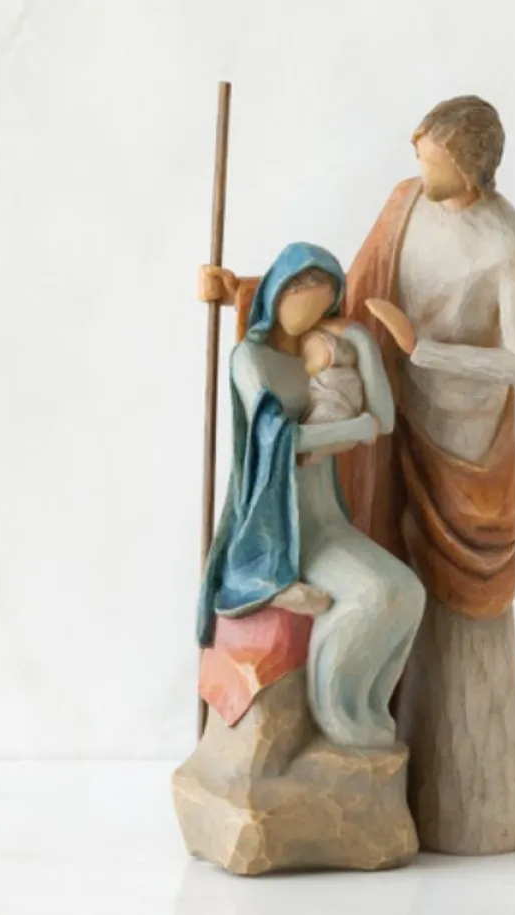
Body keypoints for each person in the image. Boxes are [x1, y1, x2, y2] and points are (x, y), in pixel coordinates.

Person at [338, 96, 515, 853]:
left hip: (467, 446)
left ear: (466, 166)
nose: (417, 164)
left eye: (430, 156)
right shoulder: (404, 207)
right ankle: (377, 766)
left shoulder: (509, 248)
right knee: (390, 576)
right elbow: (340, 297)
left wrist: (422, 348)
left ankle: (468, 803)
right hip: (393, 421)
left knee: (463, 622)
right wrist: (247, 293)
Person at [198, 242, 425, 748]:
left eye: (324, 297)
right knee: (372, 594)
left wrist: (362, 342)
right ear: (277, 290)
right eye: (300, 290)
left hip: (326, 519)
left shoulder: (322, 356)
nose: (310, 305)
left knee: (409, 592)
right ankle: (336, 715)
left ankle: (368, 710)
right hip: (281, 527)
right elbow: (278, 438)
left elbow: (384, 419)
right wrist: (352, 430)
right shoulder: (250, 358)